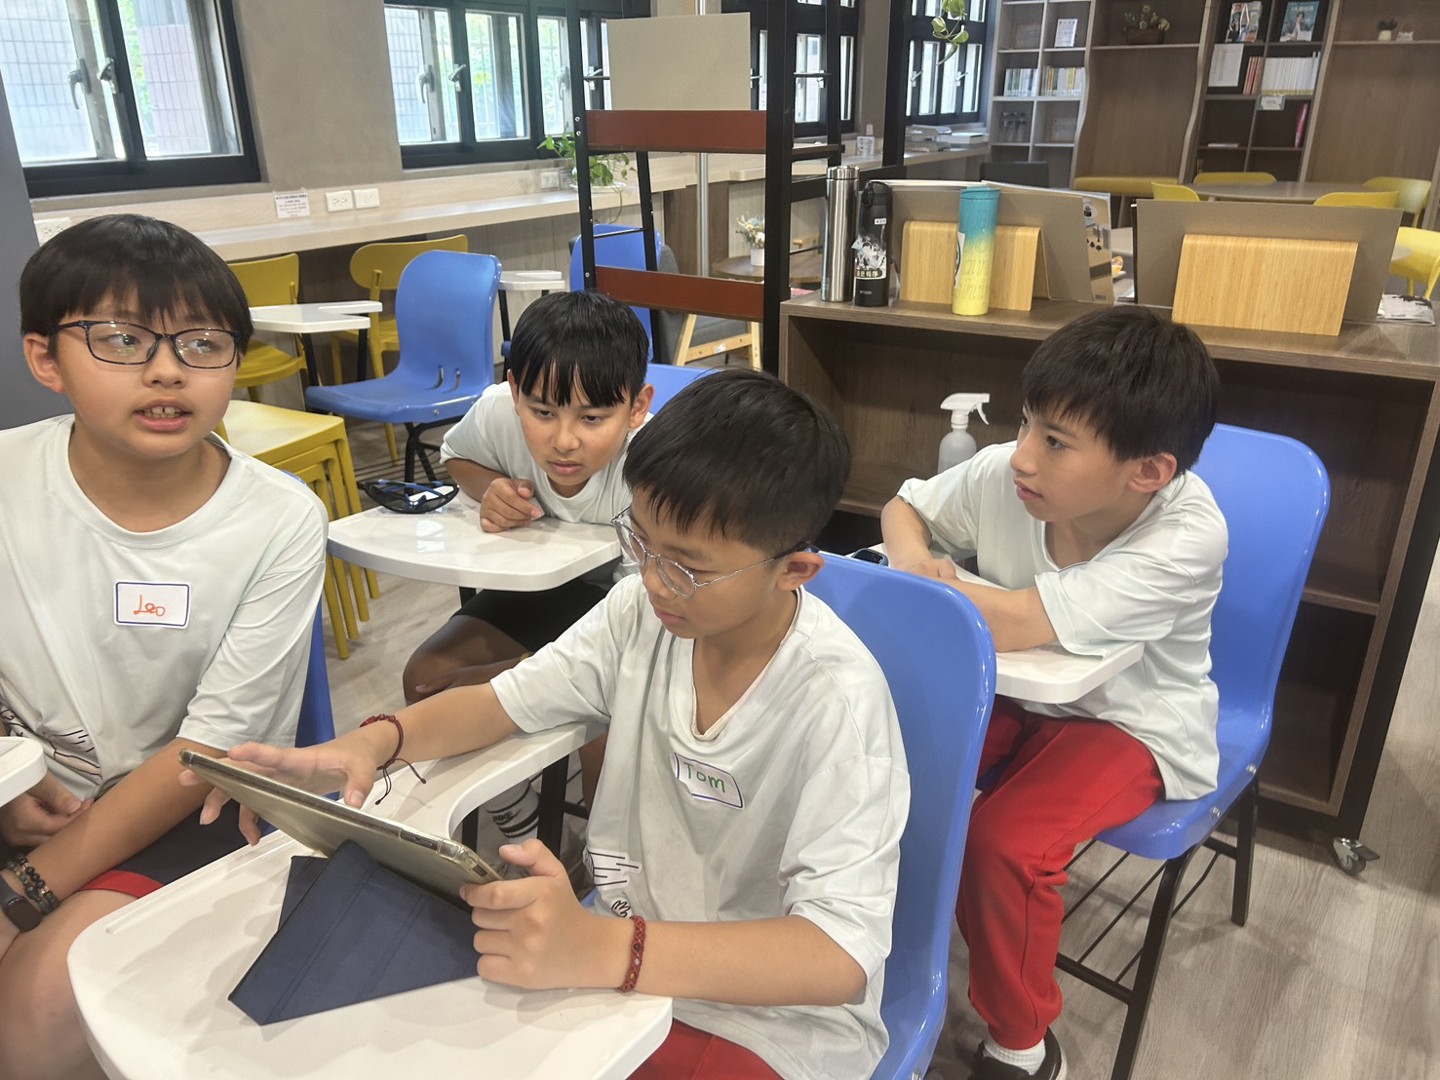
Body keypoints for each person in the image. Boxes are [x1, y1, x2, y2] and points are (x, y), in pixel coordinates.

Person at [200, 368, 910, 1079]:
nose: (654, 579)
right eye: (641, 542)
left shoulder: (835, 701)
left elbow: (837, 956)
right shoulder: (640, 615)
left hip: (766, 1024)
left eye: (689, 569)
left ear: (794, 570)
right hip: (617, 964)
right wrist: (375, 741)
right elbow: (501, 701)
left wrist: (606, 949)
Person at [0, 214, 328, 1080]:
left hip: (196, 809)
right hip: (29, 796)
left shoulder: (278, 520)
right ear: (44, 358)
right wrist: (9, 780)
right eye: (121, 339)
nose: (166, 371)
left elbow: (206, 751)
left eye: (201, 343)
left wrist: (24, 890)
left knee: (36, 1009)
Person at [880, 305, 1225, 1080]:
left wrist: (934, 589)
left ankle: (1023, 1042)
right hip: (1022, 698)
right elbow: (905, 510)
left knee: (1006, 843)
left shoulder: (1187, 537)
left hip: (1131, 721)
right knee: (885, 761)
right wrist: (912, 565)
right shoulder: (1007, 474)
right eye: (1027, 423)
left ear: (1148, 472)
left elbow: (1015, 622)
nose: (1023, 456)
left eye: (1056, 441)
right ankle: (877, 957)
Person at [400, 289, 652, 850]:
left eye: (593, 418)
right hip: (545, 593)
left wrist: (521, 670)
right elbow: (457, 457)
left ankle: (606, 865)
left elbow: (640, 616)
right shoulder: (497, 411)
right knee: (427, 679)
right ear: (515, 392)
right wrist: (489, 487)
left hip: (625, 612)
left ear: (637, 407)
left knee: (606, 727)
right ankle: (532, 831)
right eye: (542, 413)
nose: (564, 440)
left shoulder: (651, 465)